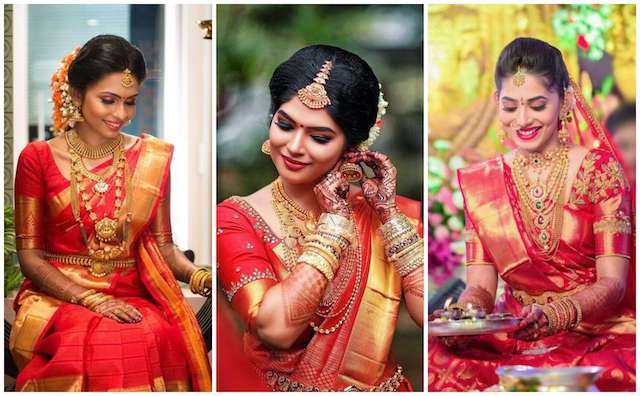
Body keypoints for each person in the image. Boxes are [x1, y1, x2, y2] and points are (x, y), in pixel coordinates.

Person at [428, 37, 635, 392]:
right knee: (435, 359)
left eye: (537, 105)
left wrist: (555, 316)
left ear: (564, 101)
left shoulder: (599, 170)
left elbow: (613, 284)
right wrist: (463, 318)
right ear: (497, 103)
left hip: (596, 336)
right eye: (510, 107)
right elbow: (479, 286)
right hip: (518, 336)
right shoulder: (482, 182)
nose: (522, 119)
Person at [10, 35, 212, 391]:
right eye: (108, 100)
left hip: (132, 296)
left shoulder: (151, 158)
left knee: (155, 334)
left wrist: (200, 277)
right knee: (100, 343)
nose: (121, 114)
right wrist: (90, 298)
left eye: (130, 103)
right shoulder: (37, 158)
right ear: (75, 94)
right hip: (60, 297)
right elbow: (30, 256)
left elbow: (165, 247)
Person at [217, 44, 424, 391]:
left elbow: (429, 316)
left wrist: (388, 214)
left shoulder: (393, 216)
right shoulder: (236, 218)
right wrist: (334, 223)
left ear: (351, 146)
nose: (295, 146)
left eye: (319, 137)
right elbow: (276, 330)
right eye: (285, 125)